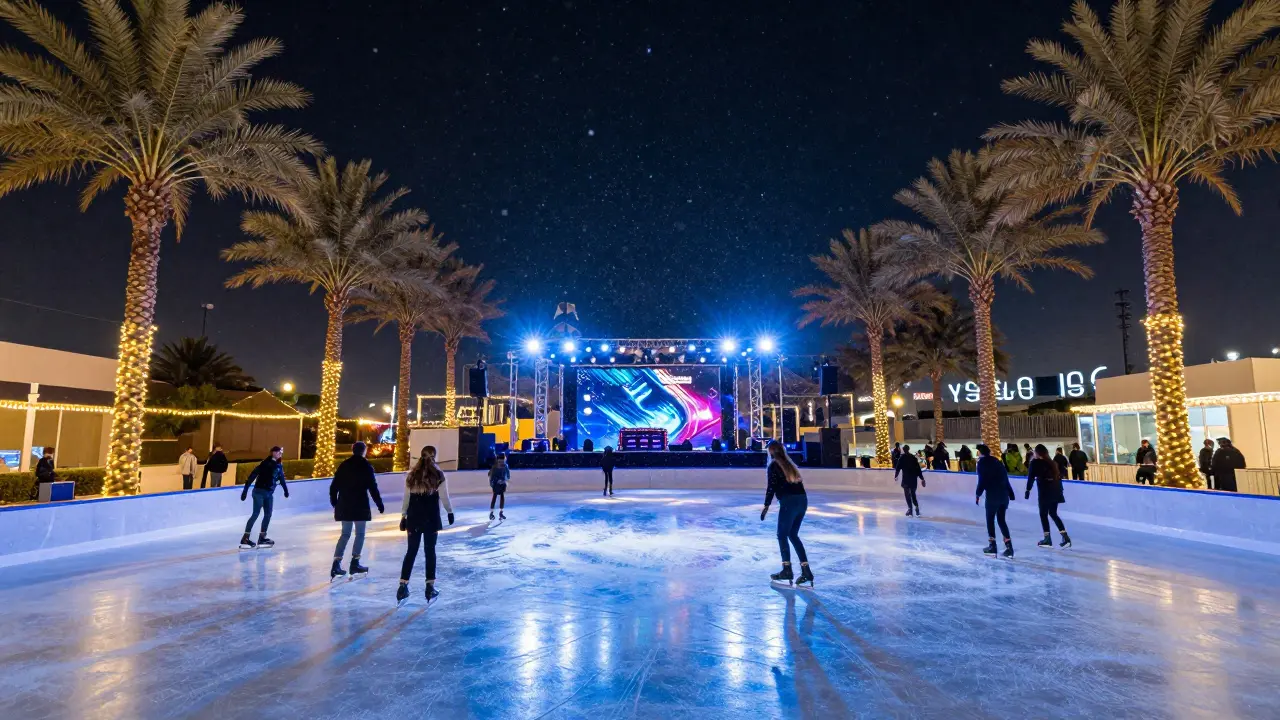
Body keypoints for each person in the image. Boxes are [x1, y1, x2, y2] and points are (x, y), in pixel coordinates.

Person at [397, 450, 455, 605]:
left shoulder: (412, 475)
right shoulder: (438, 474)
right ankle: (429, 587)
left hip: (414, 517)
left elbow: (407, 497)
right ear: (434, 456)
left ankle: (402, 586)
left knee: (411, 551)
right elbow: (444, 496)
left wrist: (404, 516)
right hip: (430, 517)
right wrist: (449, 512)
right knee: (430, 551)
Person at [760, 440, 814, 588]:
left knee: (782, 535)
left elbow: (771, 487)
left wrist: (766, 505)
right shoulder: (790, 465)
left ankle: (787, 570)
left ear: (771, 451)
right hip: (802, 501)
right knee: (793, 535)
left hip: (789, 503)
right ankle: (806, 571)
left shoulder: (774, 466)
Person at [329, 441, 385, 580]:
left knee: (345, 534)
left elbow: (333, 486)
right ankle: (355, 563)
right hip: (359, 505)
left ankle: (336, 563)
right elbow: (373, 487)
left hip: (345, 504)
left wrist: (335, 502)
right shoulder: (366, 466)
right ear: (364, 451)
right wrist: (379, 503)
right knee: (360, 534)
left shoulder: (344, 465)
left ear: (352, 450)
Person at [239, 446, 288, 549]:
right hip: (259, 492)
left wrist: (285, 490)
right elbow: (253, 475)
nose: (280, 454)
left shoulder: (278, 465)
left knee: (268, 514)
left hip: (269, 494)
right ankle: (245, 538)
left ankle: (262, 537)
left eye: (281, 453)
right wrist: (245, 490)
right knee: (256, 513)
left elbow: (282, 479)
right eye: (278, 452)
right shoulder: (265, 464)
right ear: (273, 453)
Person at [1026, 444, 1071, 548]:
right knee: (1053, 513)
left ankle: (1047, 539)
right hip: (1055, 490)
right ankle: (1065, 537)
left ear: (1037, 453)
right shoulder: (1052, 462)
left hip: (1045, 492)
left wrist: (1028, 490)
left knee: (1043, 514)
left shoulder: (1035, 463)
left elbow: (1031, 477)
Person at [975, 444, 1015, 558]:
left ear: (980, 452)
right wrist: (1010, 493)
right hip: (1003, 495)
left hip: (993, 496)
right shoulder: (997, 461)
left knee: (990, 519)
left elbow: (982, 479)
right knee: (1001, 520)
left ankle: (992, 546)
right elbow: (1005, 477)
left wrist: (978, 494)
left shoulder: (982, 463)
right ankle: (1009, 548)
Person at [895, 443, 925, 517]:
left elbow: (898, 467)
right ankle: (916, 509)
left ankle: (910, 510)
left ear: (904, 450)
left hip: (906, 479)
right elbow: (918, 469)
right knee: (913, 494)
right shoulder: (913, 458)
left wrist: (896, 476)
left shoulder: (902, 458)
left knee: (907, 495)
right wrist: (922, 478)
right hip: (913, 479)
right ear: (908, 449)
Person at [488, 452, 510, 520]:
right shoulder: (494, 467)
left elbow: (508, 476)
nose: (501, 462)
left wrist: (504, 480)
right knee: (495, 497)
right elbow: (490, 475)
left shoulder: (505, 466)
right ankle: (491, 513)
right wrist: (496, 481)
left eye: (502, 460)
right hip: (496, 484)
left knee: (502, 496)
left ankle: (501, 512)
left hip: (502, 484)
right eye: (500, 461)